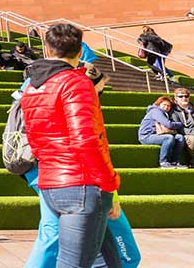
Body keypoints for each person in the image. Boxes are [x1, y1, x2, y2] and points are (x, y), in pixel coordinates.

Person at [20, 23, 119, 268]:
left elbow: (35, 139)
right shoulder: (76, 83)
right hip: (82, 186)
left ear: (47, 48)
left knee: (107, 262)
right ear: (80, 51)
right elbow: (86, 140)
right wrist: (109, 184)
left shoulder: (33, 87)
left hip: (51, 183)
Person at [138, 95, 185, 168]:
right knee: (168, 138)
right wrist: (181, 124)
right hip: (146, 136)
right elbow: (169, 125)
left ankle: (174, 162)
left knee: (180, 137)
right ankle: (163, 162)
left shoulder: (165, 113)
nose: (166, 107)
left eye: (168, 106)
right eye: (164, 105)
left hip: (157, 135)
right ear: (158, 104)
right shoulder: (156, 111)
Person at [169, 87, 194, 167]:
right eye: (180, 96)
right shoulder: (173, 110)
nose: (184, 98)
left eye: (186, 96)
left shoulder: (192, 107)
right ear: (176, 98)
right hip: (185, 133)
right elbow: (178, 127)